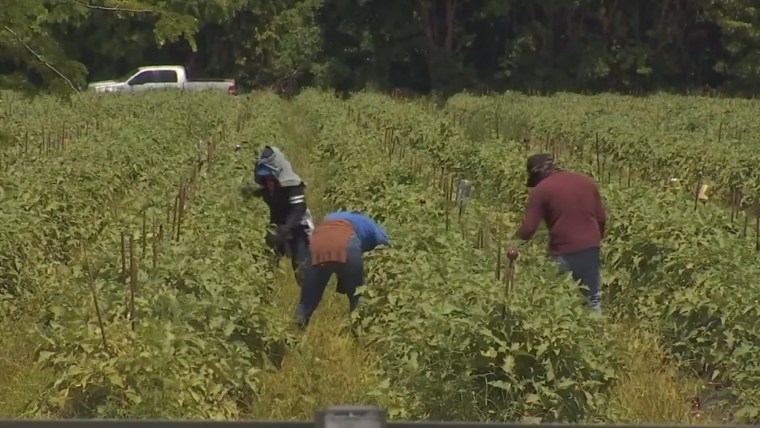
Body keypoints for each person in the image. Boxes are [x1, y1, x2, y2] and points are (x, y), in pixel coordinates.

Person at [509, 154, 607, 313]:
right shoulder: (585, 181)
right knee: (591, 298)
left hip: (563, 250)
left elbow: (529, 228)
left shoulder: (542, 189)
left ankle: (562, 333)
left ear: (537, 174)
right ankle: (595, 334)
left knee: (557, 297)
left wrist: (511, 245)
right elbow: (601, 218)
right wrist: (595, 241)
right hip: (590, 247)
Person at [295, 211, 390, 329]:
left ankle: (297, 331)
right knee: (357, 296)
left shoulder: (331, 216)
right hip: (347, 242)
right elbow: (385, 247)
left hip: (318, 241)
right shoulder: (371, 224)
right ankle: (359, 333)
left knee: (308, 298)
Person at [250, 145, 314, 285]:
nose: (269, 181)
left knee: (301, 267)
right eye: (265, 178)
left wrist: (285, 229)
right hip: (277, 225)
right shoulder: (267, 185)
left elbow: (299, 208)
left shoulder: (293, 185)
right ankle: (266, 290)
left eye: (270, 177)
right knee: (268, 262)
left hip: (297, 226)